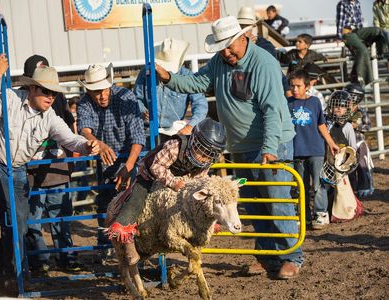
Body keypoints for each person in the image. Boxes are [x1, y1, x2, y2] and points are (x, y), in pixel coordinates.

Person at [155, 16, 303, 280]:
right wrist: (168, 78)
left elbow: (272, 109)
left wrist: (269, 147)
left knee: (277, 200)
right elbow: (197, 83)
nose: (225, 52)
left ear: (242, 38)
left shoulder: (263, 64)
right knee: (253, 204)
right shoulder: (219, 63)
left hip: (272, 144)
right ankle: (267, 255)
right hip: (241, 145)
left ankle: (291, 256)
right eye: (221, 47)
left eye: (229, 46)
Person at [0, 55, 99, 292]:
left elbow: (70, 139)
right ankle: (16, 275)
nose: (50, 96)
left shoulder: (51, 117)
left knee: (17, 222)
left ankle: (1, 270)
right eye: (45, 91)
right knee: (17, 217)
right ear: (31, 88)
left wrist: (86, 145)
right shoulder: (10, 97)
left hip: (17, 169)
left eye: (53, 92)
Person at [107, 118, 227, 265]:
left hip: (181, 181)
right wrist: (172, 182)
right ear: (194, 141)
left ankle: (198, 227)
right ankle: (127, 240)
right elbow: (156, 167)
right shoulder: (175, 146)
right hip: (150, 176)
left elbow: (198, 180)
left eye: (210, 155)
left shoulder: (205, 161)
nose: (204, 158)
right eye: (202, 152)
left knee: (195, 201)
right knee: (136, 201)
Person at [21, 55, 81, 274]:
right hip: (30, 168)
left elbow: (68, 124)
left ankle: (67, 257)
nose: (48, 93)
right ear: (30, 84)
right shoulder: (19, 103)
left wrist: (71, 156)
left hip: (56, 166)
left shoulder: (58, 98)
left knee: (61, 216)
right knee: (33, 220)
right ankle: (39, 260)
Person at [77, 63, 145, 246]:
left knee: (134, 204)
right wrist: (97, 142)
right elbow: (84, 129)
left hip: (129, 160)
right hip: (105, 164)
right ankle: (107, 245)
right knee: (105, 204)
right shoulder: (85, 102)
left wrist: (129, 167)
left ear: (109, 85)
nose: (102, 95)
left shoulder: (126, 98)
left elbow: (138, 136)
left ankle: (138, 247)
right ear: (89, 91)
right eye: (96, 91)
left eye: (104, 90)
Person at [287, 69, 340, 225]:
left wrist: (331, 143)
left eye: (298, 86)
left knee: (317, 184)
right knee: (300, 186)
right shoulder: (287, 103)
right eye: (292, 86)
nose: (294, 89)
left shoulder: (314, 102)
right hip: (296, 152)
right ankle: (304, 214)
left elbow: (321, 124)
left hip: (315, 150)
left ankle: (321, 213)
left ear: (307, 86)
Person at [133, 38, 207, 141]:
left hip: (175, 132)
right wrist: (142, 110)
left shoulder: (187, 77)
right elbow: (136, 98)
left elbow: (200, 105)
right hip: (148, 130)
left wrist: (190, 126)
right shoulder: (145, 74)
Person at [312, 90, 357, 230]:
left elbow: (352, 149)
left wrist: (348, 165)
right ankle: (325, 212)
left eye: (342, 106)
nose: (338, 108)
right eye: (336, 105)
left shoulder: (348, 127)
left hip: (341, 165)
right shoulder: (325, 123)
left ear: (347, 108)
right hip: (326, 161)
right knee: (323, 187)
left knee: (343, 190)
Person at [237, 6, 292, 97]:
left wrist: (287, 89)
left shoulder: (265, 46)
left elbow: (274, 69)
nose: (243, 30)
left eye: (246, 26)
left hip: (263, 91)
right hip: (243, 93)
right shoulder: (232, 46)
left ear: (252, 27)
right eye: (241, 26)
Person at [336, 0, 385, 85]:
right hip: (347, 32)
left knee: (379, 31)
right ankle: (364, 78)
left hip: (358, 31)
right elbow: (340, 21)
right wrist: (339, 37)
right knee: (363, 50)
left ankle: (380, 53)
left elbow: (359, 20)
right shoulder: (342, 4)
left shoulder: (357, 3)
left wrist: (364, 35)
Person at [345, 83, 374, 198]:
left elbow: (368, 126)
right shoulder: (343, 110)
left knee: (362, 167)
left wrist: (357, 126)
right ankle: (352, 190)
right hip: (347, 144)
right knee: (349, 168)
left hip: (359, 143)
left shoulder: (361, 112)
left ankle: (364, 188)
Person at [373, 0, 389, 70]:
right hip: (382, 29)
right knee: (378, 35)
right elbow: (376, 19)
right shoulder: (375, 4)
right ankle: (380, 53)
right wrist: (378, 30)